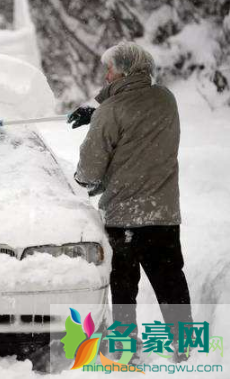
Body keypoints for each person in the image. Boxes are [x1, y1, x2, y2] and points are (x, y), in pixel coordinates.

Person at [68, 42, 192, 357]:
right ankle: (187, 345)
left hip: (123, 216)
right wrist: (97, 108)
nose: (105, 75)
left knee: (124, 288)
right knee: (170, 281)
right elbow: (134, 105)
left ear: (122, 70)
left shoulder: (110, 112)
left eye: (108, 69)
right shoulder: (166, 99)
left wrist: (81, 179)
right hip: (163, 214)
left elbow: (90, 171)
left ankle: (125, 348)